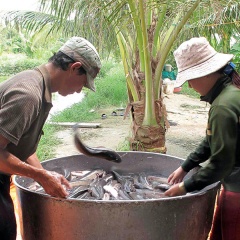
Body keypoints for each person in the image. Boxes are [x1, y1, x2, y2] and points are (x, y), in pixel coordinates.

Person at [0, 36, 101, 240]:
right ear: (74, 67)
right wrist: (41, 177)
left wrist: (45, 174)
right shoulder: (29, 94)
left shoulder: (38, 85)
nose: (80, 89)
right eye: (83, 82)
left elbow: (20, 144)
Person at [164, 37, 240, 240]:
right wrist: (186, 166)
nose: (189, 84)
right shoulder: (229, 94)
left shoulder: (223, 106)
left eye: (190, 78)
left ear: (205, 74)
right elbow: (211, 140)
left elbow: (221, 163)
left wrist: (185, 187)